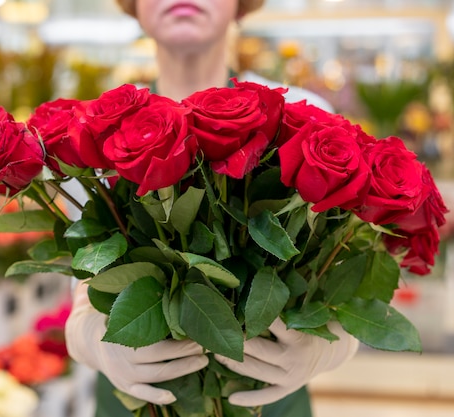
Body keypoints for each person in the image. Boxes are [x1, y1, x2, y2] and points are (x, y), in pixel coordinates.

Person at [65, 1, 360, 416]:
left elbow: (341, 259)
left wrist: (334, 342)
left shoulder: (303, 117)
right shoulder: (98, 130)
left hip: (265, 402)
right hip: (140, 401)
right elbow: (83, 271)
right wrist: (87, 332)